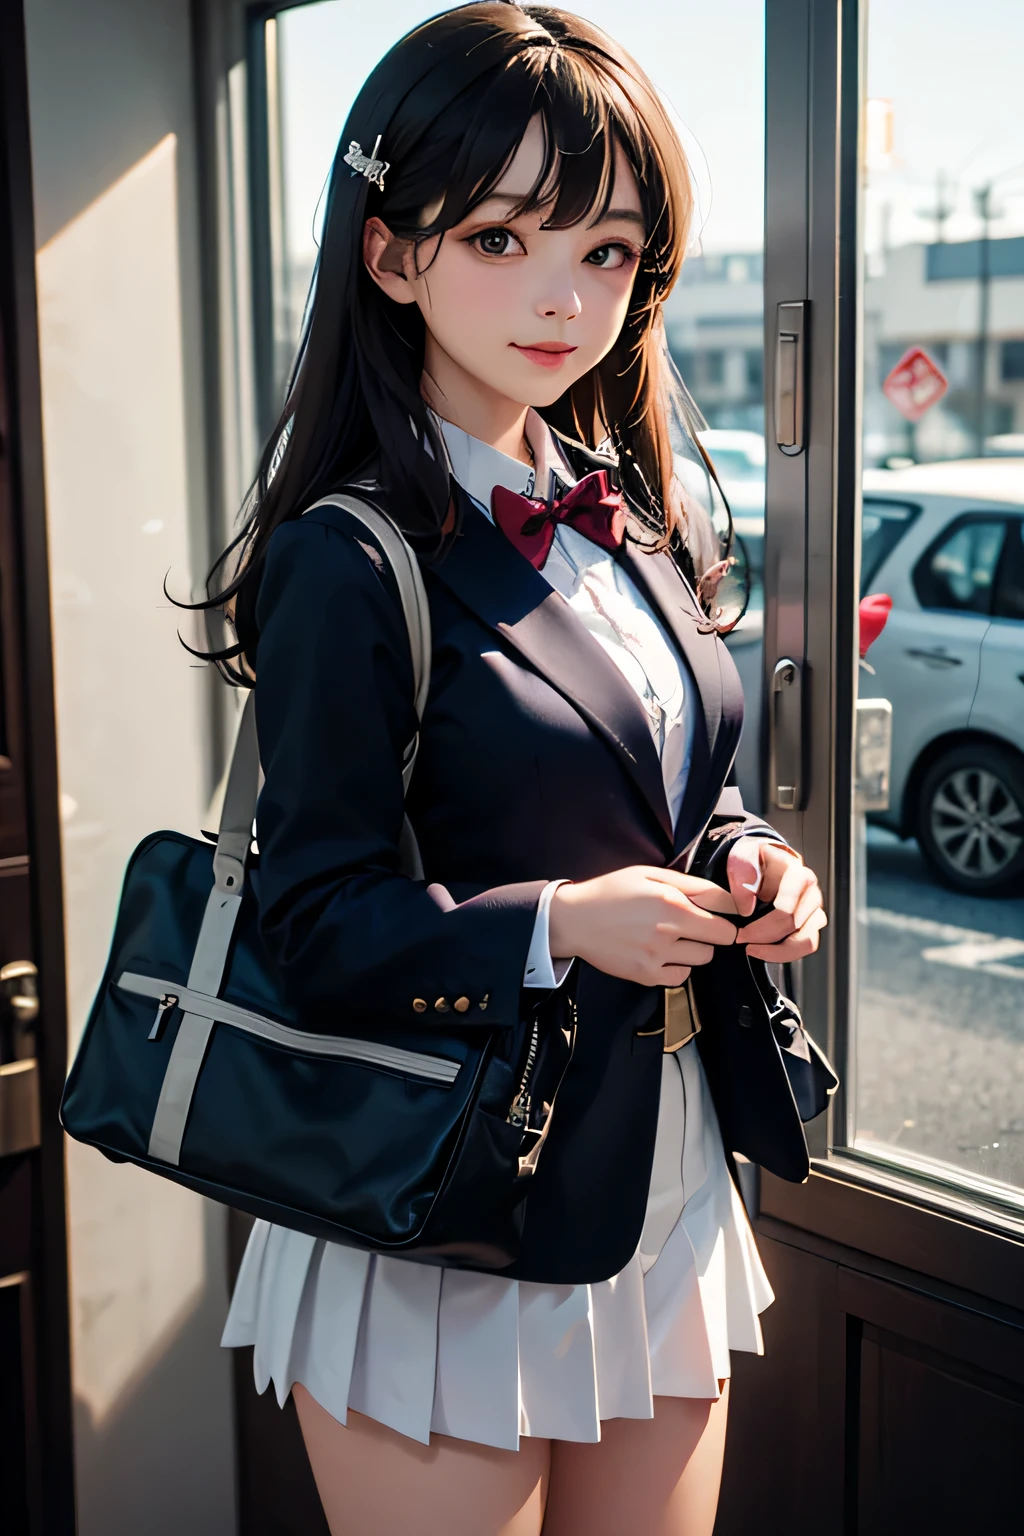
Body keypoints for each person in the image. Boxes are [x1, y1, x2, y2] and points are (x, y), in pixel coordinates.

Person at [211, 6, 827, 1532]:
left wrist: (748, 866)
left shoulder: (631, 513)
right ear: (391, 253)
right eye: (500, 238)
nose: (562, 297)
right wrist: (561, 924)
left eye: (608, 252)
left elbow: (675, 786)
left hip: (663, 1169)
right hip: (448, 1200)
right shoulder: (347, 561)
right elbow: (313, 921)